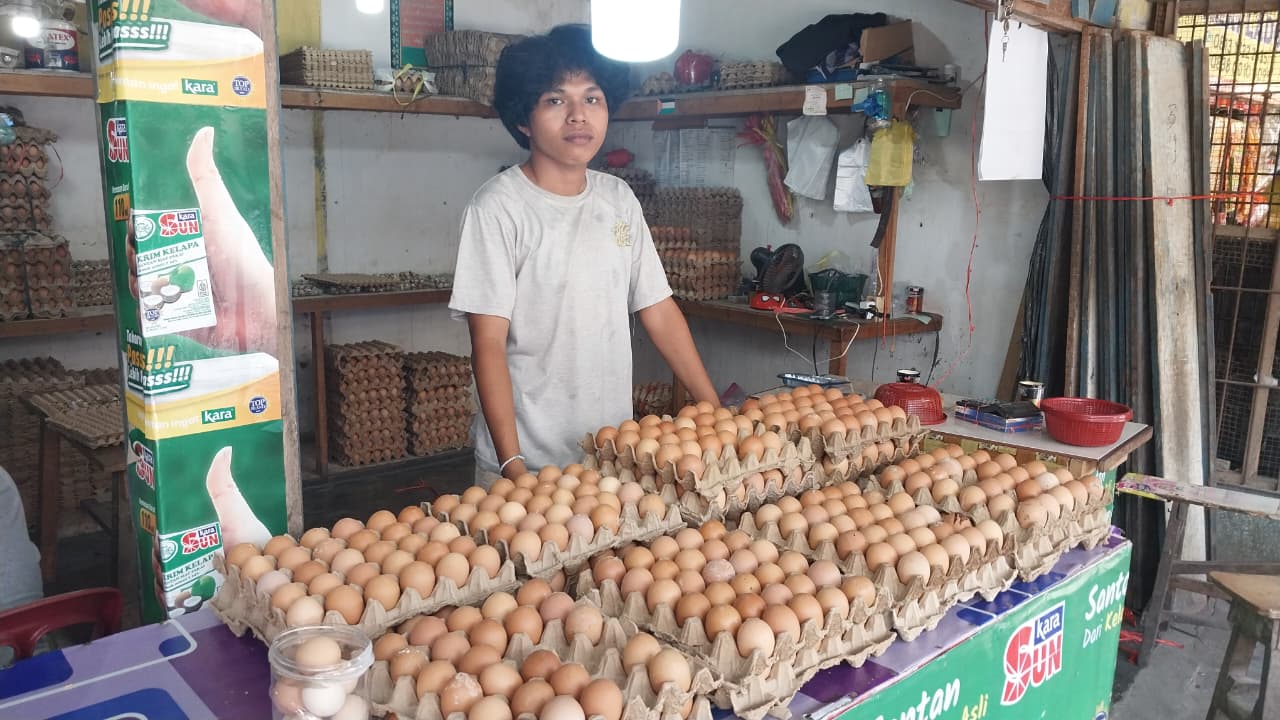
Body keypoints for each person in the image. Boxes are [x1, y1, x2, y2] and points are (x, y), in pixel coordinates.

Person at [449, 25, 719, 485]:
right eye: (556, 101)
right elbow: (488, 343)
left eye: (592, 99)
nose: (579, 116)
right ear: (523, 119)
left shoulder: (619, 199)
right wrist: (513, 466)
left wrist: (713, 409)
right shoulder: (497, 208)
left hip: (608, 455)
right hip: (528, 464)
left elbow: (658, 308)